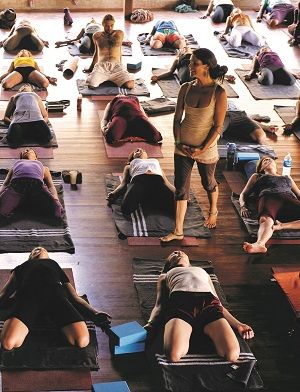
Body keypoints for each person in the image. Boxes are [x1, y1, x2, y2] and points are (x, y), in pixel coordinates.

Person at [161, 48, 228, 242]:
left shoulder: (219, 92)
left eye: (194, 63)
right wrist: (178, 142)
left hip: (206, 146)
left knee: (208, 182)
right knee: (181, 187)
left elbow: (217, 127)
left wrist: (202, 149)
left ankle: (213, 209)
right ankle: (178, 230)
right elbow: (176, 119)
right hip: (183, 145)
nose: (190, 66)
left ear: (206, 67)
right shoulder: (185, 88)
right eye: (190, 63)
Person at [145, 250, 254, 362]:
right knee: (173, 355)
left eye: (180, 252)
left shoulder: (202, 271)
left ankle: (199, 331)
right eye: (174, 254)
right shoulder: (165, 275)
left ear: (189, 260)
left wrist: (239, 325)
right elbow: (159, 305)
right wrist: (150, 325)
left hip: (209, 305)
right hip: (180, 304)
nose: (178, 254)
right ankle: (192, 332)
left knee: (232, 355)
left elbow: (219, 304)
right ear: (169, 264)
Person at [0, 246, 111, 351]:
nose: (39, 249)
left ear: (48, 256)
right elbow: (4, 294)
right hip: (29, 300)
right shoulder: (21, 267)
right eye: (35, 250)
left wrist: (94, 313)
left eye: (42, 249)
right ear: (30, 257)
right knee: (7, 343)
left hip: (56, 299)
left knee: (82, 341)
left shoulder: (54, 265)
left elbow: (74, 297)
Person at [239, 156, 300, 253]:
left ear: (276, 165)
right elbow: (243, 194)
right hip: (269, 197)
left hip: (289, 198)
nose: (267, 160)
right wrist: (243, 206)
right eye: (264, 161)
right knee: (265, 219)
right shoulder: (257, 176)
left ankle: (282, 226)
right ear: (261, 168)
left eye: (269, 159)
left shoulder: (287, 177)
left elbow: (299, 194)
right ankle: (260, 244)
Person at [106, 148, 175, 215]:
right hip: (139, 182)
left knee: (177, 206)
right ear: (132, 158)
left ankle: (149, 199)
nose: (139, 150)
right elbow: (123, 184)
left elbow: (167, 183)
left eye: (142, 150)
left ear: (147, 155)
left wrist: (180, 193)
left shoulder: (155, 161)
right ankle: (149, 199)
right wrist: (114, 194)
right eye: (136, 151)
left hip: (157, 182)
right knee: (125, 210)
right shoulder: (129, 166)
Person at [0, 148, 64, 218]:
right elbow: (5, 184)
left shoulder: (44, 168)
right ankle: (24, 204)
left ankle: (27, 205)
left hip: (36, 191)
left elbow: (51, 186)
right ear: (21, 159)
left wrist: (55, 198)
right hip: (18, 190)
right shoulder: (15, 167)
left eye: (30, 150)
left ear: (36, 159)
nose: (27, 150)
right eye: (24, 151)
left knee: (56, 210)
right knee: (2, 209)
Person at [85, 14, 134, 89]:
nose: (109, 28)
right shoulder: (96, 35)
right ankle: (106, 78)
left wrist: (121, 67)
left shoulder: (119, 34)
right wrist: (91, 68)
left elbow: (119, 50)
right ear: (103, 24)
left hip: (116, 65)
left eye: (112, 25)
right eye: (107, 26)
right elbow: (96, 52)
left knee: (130, 85)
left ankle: (106, 78)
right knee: (91, 85)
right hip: (102, 65)